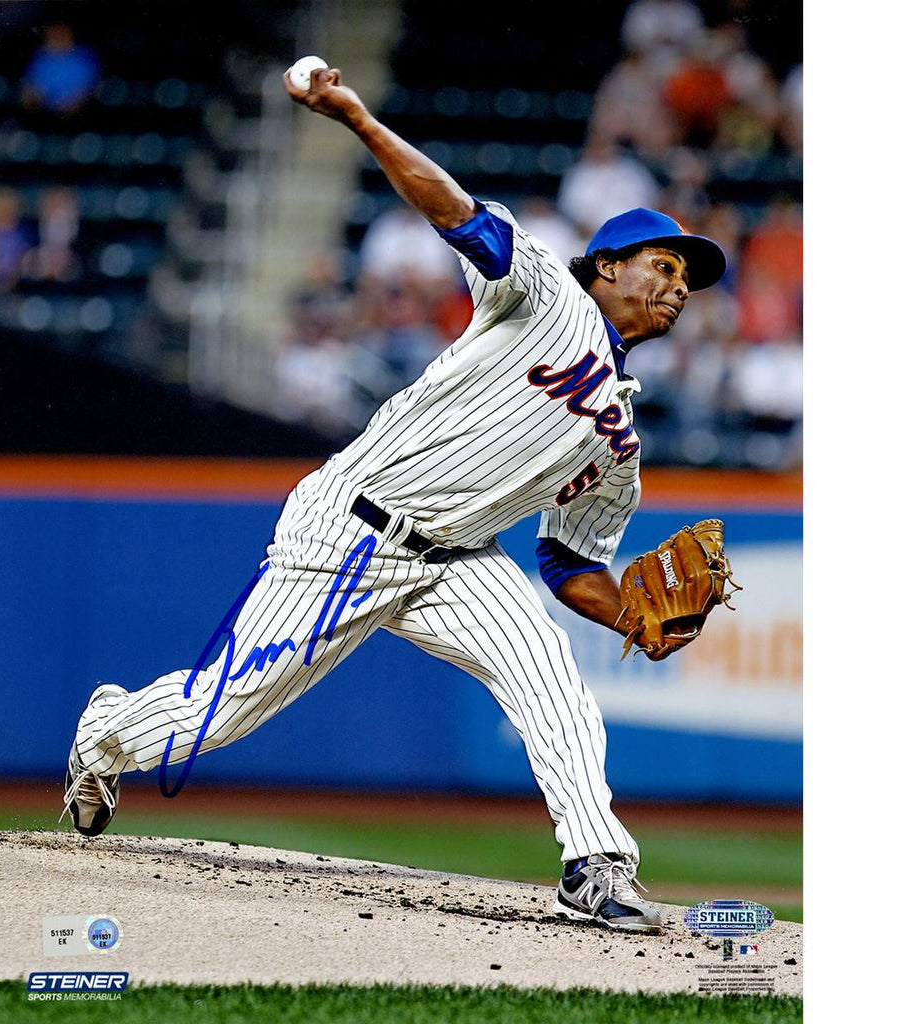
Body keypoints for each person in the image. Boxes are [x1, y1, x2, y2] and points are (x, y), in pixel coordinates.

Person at [62, 65, 727, 934]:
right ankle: (106, 733)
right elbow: (455, 211)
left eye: (688, 278)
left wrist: (637, 616)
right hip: (351, 526)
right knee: (217, 716)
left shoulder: (620, 444)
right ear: (606, 265)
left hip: (460, 563)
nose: (679, 286)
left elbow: (569, 563)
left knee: (551, 680)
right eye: (664, 265)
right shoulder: (547, 294)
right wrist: (355, 115)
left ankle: (595, 866)